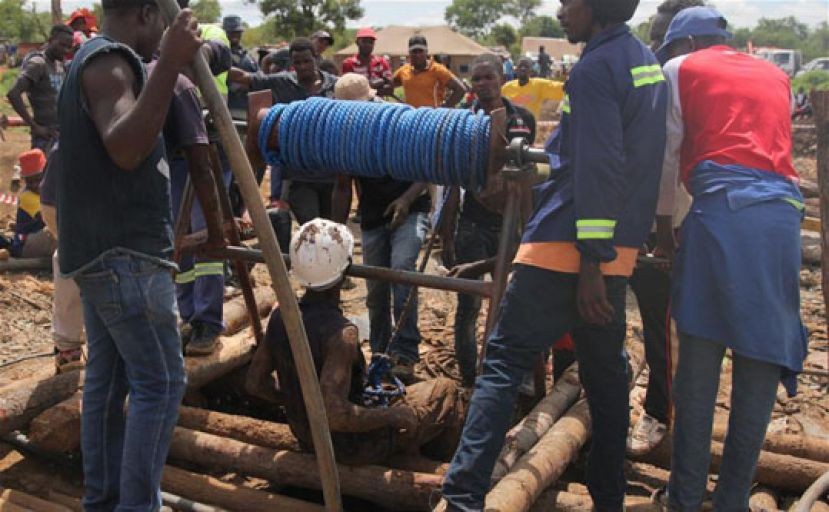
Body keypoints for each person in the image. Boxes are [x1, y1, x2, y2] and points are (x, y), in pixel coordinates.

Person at [439, 0, 667, 509]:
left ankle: (461, 498)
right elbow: (604, 156)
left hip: (568, 247)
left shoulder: (592, 71)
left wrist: (588, 262)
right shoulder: (644, 63)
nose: (562, 11)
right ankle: (608, 496)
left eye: (571, 2)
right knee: (605, 379)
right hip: (613, 250)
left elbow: (600, 166)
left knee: (501, 365)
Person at [652, 8, 808, 511]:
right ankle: (733, 500)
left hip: (722, 215)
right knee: (759, 355)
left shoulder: (681, 69)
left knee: (699, 360)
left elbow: (669, 155)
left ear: (687, 43)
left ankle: (684, 498)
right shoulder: (777, 74)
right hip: (783, 220)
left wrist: (663, 234)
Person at [55, 2, 200, 509]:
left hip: (105, 254)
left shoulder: (96, 59)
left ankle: (105, 501)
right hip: (125, 257)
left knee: (109, 380)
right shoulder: (110, 62)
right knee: (160, 382)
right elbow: (125, 147)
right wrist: (171, 63)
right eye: (162, 23)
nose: (163, 33)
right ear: (144, 13)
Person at [258, 218, 466, 464]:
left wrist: (296, 403)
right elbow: (336, 415)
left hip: (305, 434)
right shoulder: (342, 335)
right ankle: (434, 466)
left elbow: (255, 382)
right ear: (345, 269)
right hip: (350, 446)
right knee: (446, 390)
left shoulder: (281, 316)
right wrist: (392, 416)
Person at [626, 0, 704, 457]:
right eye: (652, 38)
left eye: (663, 40)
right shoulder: (650, 82)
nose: (655, 48)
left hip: (676, 225)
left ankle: (660, 413)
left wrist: (664, 228)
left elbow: (676, 162)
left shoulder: (692, 90)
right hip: (640, 220)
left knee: (665, 327)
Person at [438, 54, 535, 388]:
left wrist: (528, 231)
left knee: (514, 302)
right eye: (476, 79)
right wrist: (446, 235)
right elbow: (453, 184)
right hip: (473, 226)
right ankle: (469, 380)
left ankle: (509, 374)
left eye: (487, 77)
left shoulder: (523, 120)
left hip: (509, 225)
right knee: (469, 304)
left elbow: (526, 182)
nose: (482, 84)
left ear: (500, 78)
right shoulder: (464, 122)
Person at [331, 73, 431, 383]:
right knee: (375, 288)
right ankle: (380, 351)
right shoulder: (345, 135)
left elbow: (429, 168)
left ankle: (405, 350)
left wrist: (405, 199)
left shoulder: (401, 122)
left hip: (411, 207)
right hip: (374, 215)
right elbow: (342, 185)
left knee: (402, 270)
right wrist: (335, 231)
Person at [153, 58, 227, 357]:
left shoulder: (189, 75)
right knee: (177, 242)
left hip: (201, 164)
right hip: (170, 165)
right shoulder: (152, 74)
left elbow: (200, 156)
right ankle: (188, 317)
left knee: (206, 240)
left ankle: (208, 321)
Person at [229, 37, 338, 228]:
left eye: (307, 61)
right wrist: (211, 60)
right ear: (292, 64)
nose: (303, 66)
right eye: (297, 63)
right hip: (299, 177)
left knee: (334, 230)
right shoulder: (283, 83)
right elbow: (245, 78)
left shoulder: (335, 86)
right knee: (315, 229)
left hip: (333, 175)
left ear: (316, 59)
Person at [6, 25, 73, 151]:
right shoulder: (38, 64)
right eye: (61, 45)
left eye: (68, 47)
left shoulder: (60, 65)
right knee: (44, 170)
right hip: (45, 138)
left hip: (60, 134)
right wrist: (35, 126)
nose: (65, 50)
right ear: (51, 40)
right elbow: (13, 93)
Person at [2, 149, 57, 259]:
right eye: (30, 181)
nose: (35, 185)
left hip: (34, 240)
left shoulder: (50, 190)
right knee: (55, 230)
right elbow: (50, 218)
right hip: (25, 245)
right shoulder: (27, 197)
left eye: (38, 179)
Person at [392, 35, 466, 108]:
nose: (417, 55)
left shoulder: (438, 70)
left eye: (420, 51)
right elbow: (389, 84)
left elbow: (460, 89)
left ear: (426, 51)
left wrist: (444, 109)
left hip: (432, 118)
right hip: (412, 118)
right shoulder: (403, 71)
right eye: (414, 51)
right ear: (409, 53)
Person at [501, 56, 565, 122]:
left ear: (531, 71)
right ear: (516, 70)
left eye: (526, 66)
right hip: (511, 129)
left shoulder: (539, 85)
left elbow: (562, 87)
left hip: (530, 129)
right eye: (520, 66)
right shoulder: (506, 88)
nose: (523, 68)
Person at [223, 15, 259, 119]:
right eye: (231, 32)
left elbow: (260, 78)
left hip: (250, 109)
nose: (235, 35)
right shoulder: (221, 55)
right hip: (230, 111)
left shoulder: (249, 56)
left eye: (237, 32)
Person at [341, 27, 393, 94]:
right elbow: (348, 89)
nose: (368, 45)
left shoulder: (382, 62)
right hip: (358, 103)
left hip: (379, 103)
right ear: (357, 43)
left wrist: (366, 89)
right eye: (364, 41)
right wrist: (378, 83)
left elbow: (390, 88)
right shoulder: (349, 63)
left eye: (371, 42)